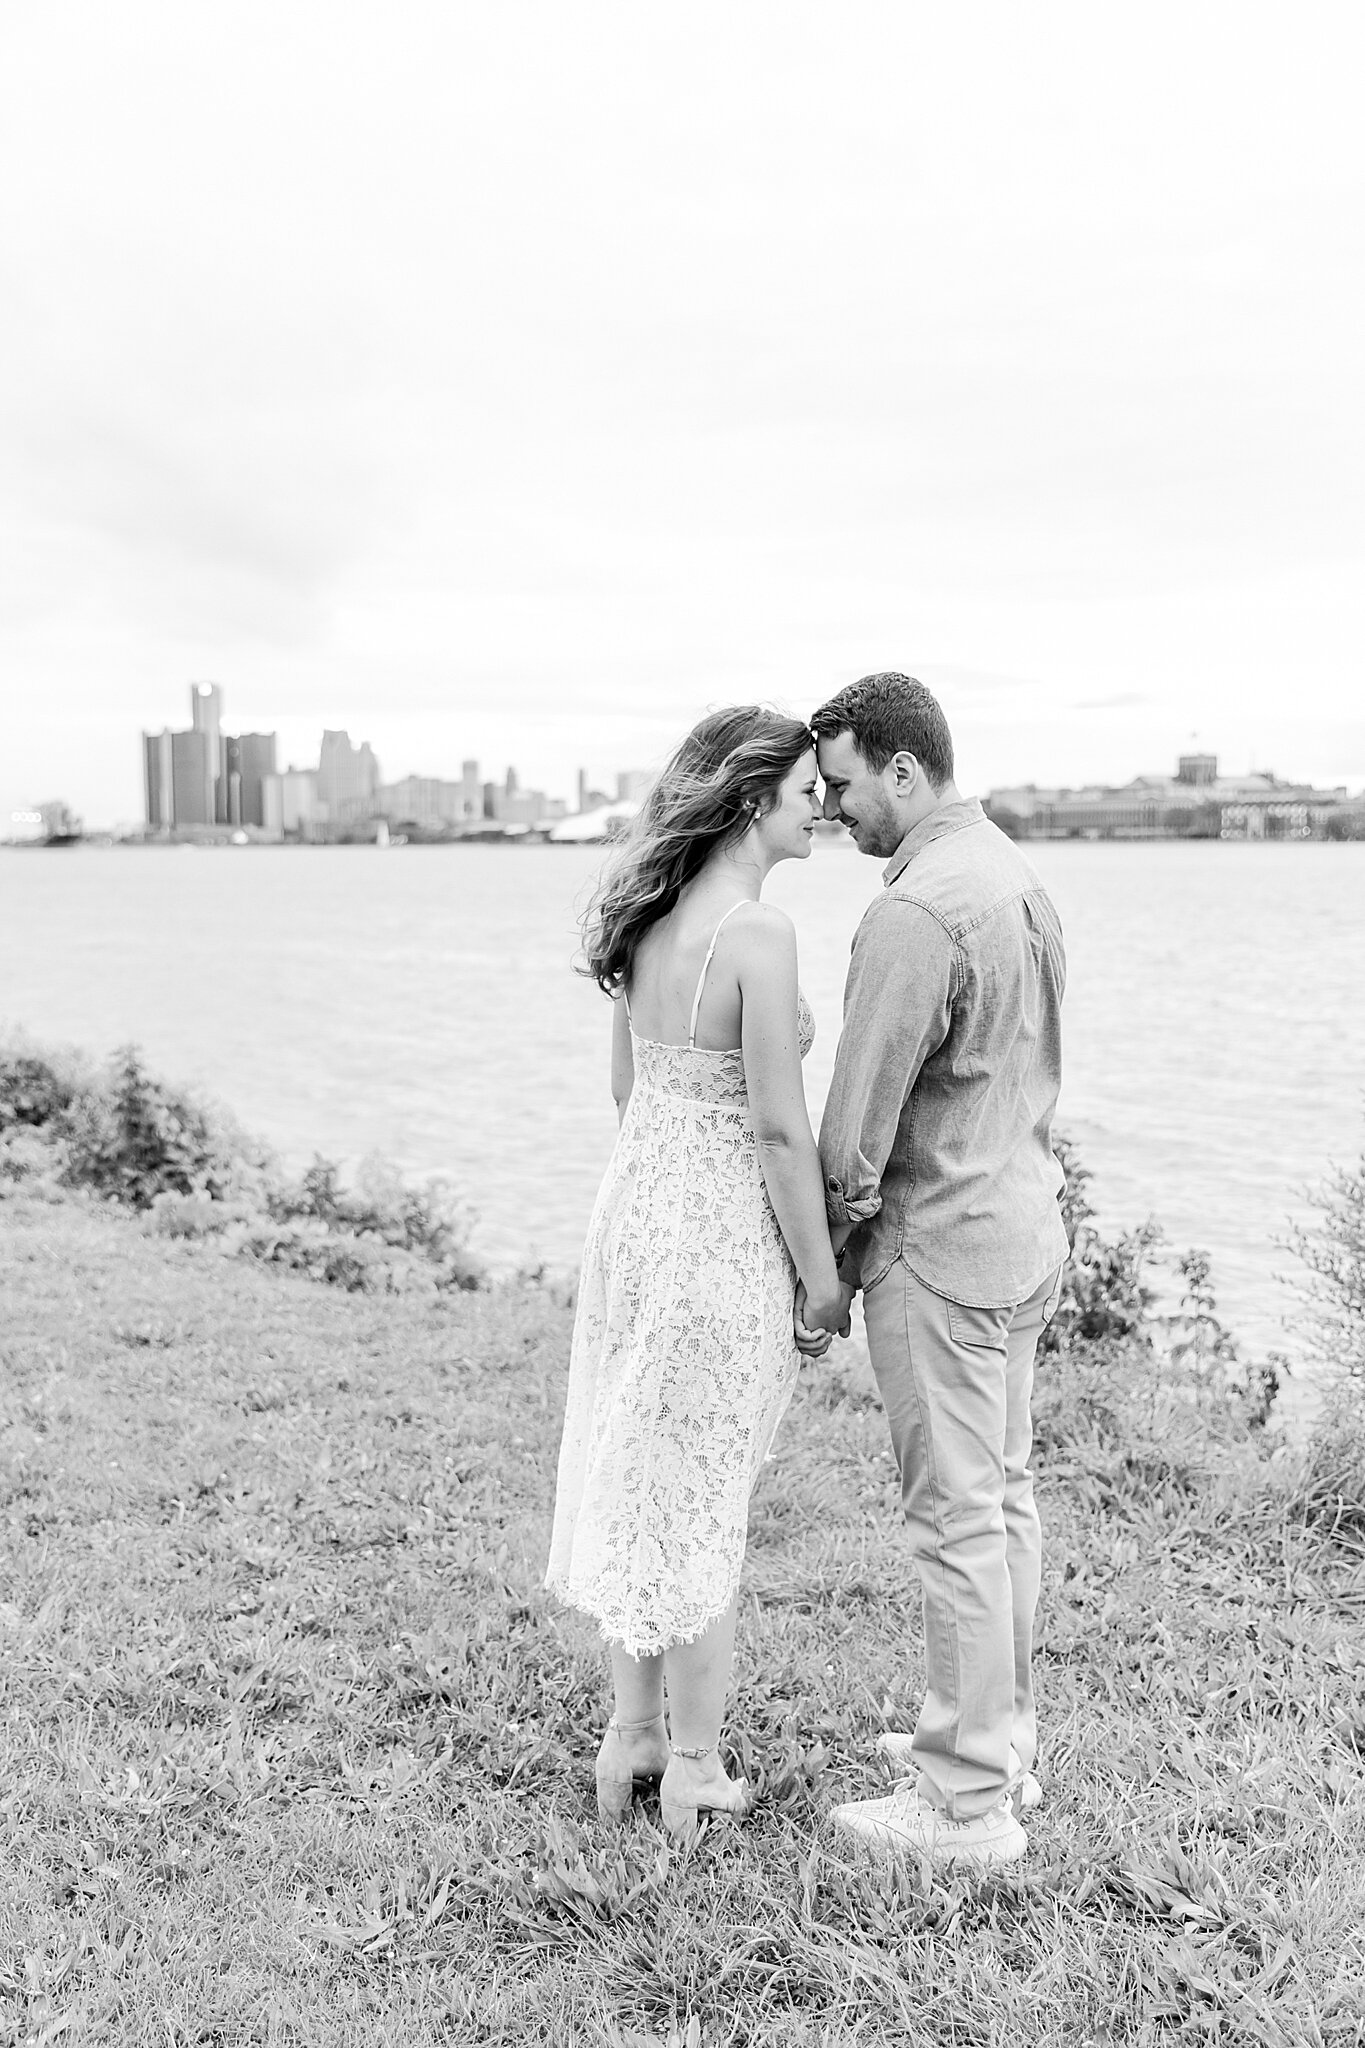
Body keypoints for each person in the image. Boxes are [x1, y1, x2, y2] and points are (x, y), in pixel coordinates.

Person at [545, 706, 849, 1838]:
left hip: (632, 1223)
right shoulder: (758, 938)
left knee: (640, 1479)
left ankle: (629, 1734)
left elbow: (633, 1093)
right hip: (716, 1238)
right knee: (702, 1500)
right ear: (749, 800)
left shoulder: (645, 919)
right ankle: (697, 1761)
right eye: (805, 788)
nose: (821, 802)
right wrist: (819, 1281)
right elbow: (778, 1132)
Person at [801, 673, 1068, 1868]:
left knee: (956, 1515)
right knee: (1001, 1499)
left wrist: (831, 1267)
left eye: (846, 784)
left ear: (903, 771)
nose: (833, 809)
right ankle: (995, 1740)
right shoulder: (1012, 873)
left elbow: (855, 1130)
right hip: (1021, 1228)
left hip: (943, 1252)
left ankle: (964, 1798)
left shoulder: (913, 913)